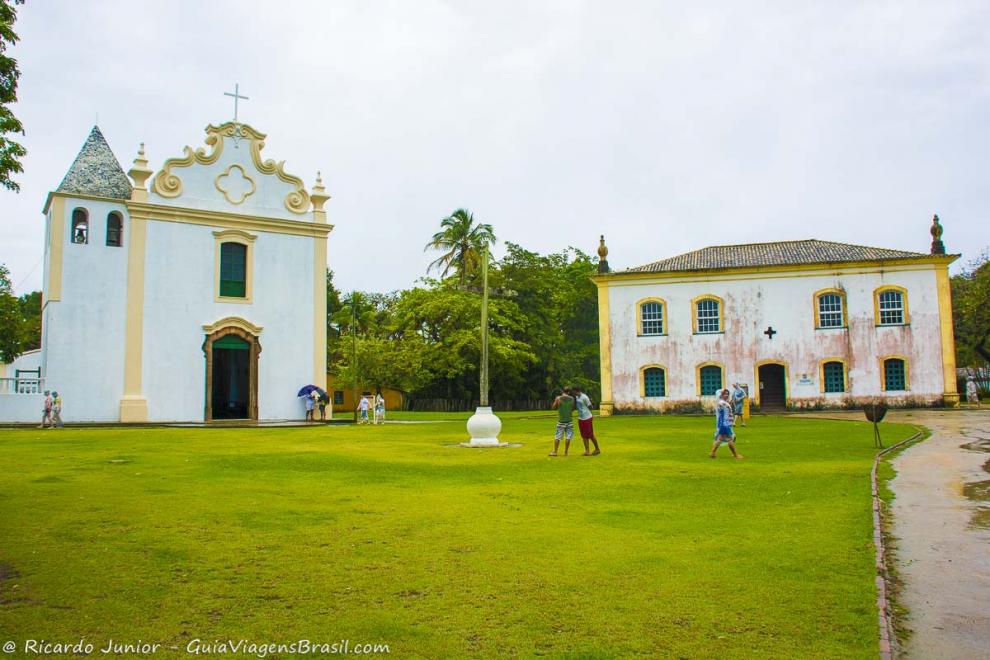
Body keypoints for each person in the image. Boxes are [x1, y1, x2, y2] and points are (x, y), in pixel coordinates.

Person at [710, 389, 743, 459]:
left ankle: (712, 453)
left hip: (723, 424)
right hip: (725, 424)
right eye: (725, 394)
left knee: (720, 439)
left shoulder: (722, 402)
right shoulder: (722, 403)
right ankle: (736, 455)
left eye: (727, 394)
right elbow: (725, 413)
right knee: (731, 439)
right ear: (721, 395)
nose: (727, 395)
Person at [572, 385, 600, 456]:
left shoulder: (585, 397)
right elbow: (575, 406)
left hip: (587, 418)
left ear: (576, 391)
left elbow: (590, 407)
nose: (573, 393)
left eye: (573, 391)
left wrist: (588, 412)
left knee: (590, 434)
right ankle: (587, 451)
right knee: (583, 435)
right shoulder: (576, 397)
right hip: (581, 418)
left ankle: (597, 449)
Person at [549, 386, 576, 457]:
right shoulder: (572, 398)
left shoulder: (558, 398)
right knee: (568, 437)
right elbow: (573, 409)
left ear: (563, 391)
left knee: (557, 437)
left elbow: (553, 408)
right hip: (569, 420)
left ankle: (555, 452)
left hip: (561, 421)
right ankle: (566, 452)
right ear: (569, 392)